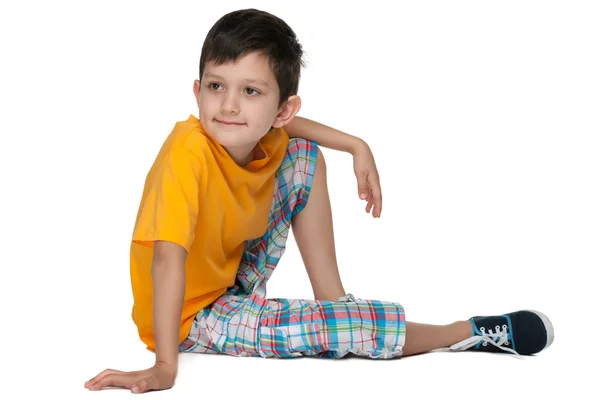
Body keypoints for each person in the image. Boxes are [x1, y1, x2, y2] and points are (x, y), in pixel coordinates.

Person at [84, 8, 554, 394]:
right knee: (348, 326)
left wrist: (355, 144)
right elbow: (167, 261)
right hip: (190, 317)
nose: (228, 106)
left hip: (229, 276)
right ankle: (463, 333)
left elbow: (287, 130)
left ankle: (332, 299)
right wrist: (165, 364)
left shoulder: (266, 130)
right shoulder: (185, 157)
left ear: (283, 107)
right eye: (216, 86)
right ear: (197, 90)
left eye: (250, 91)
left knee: (304, 155)